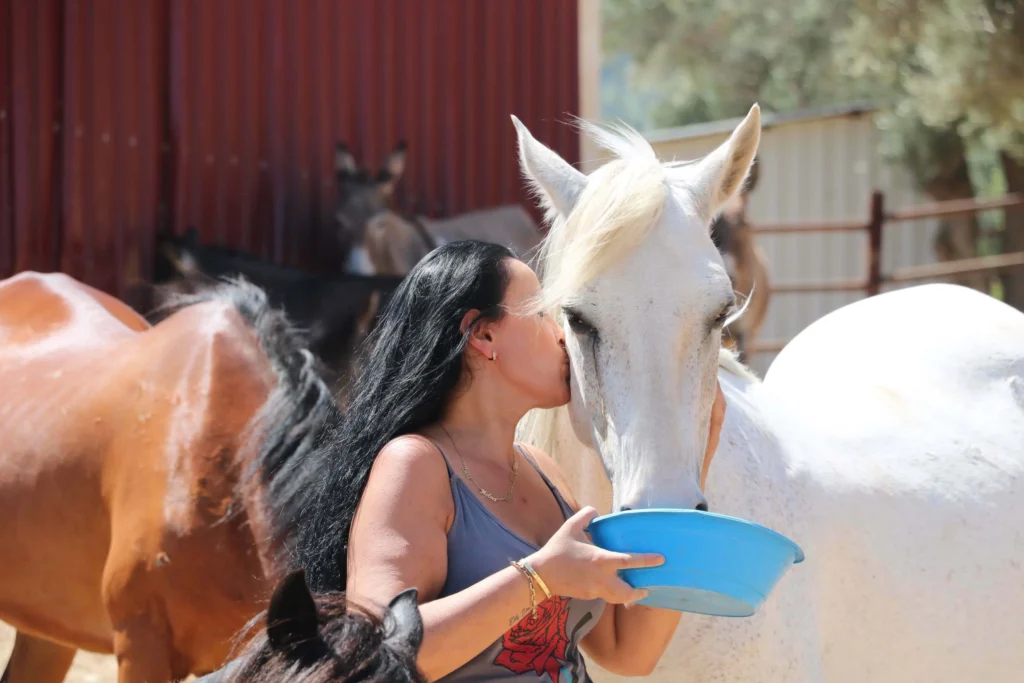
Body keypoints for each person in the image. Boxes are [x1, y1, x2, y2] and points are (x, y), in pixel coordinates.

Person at [296, 240, 727, 682]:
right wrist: (538, 578)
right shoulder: (414, 464)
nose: (563, 335)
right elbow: (377, 653)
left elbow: (629, 652)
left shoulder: (542, 471)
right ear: (483, 335)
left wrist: (695, 460)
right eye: (542, 313)